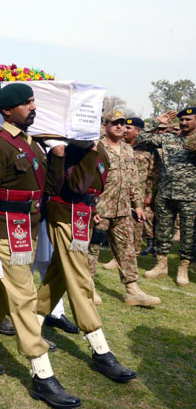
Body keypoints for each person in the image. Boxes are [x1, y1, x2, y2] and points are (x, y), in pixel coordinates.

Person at [0, 83, 81, 409]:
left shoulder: (32, 145)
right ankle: (42, 376)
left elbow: (51, 187)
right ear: (7, 110)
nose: (33, 107)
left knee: (4, 293)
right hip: (2, 230)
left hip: (25, 231)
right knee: (26, 298)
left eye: (33, 102)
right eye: (26, 103)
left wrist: (57, 154)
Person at [36, 137, 137, 385]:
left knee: (57, 279)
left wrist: (93, 208)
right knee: (80, 280)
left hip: (82, 216)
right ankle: (100, 350)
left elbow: (95, 185)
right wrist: (80, 151)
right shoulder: (69, 147)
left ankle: (30, 323)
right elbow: (77, 184)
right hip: (63, 214)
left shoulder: (95, 147)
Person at [87, 112, 160, 306]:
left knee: (127, 249)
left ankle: (132, 289)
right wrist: (92, 208)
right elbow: (89, 179)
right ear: (106, 126)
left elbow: (134, 181)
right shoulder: (96, 147)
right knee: (92, 248)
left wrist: (137, 205)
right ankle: (88, 285)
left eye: (123, 124)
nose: (120, 127)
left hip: (122, 210)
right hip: (101, 209)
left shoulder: (128, 150)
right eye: (115, 124)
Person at [142, 108, 196, 287]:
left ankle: (183, 267)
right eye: (181, 120)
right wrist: (157, 123)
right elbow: (142, 139)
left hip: (190, 195)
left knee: (188, 234)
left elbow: (190, 145)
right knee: (162, 231)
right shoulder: (170, 137)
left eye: (188, 119)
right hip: (165, 193)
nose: (183, 123)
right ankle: (161, 264)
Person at [123, 117, 156, 255]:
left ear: (138, 131)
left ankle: (133, 252)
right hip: (120, 190)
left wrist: (149, 195)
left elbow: (153, 175)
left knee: (137, 222)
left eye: (128, 128)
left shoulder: (148, 149)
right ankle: (120, 253)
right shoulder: (120, 146)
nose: (124, 130)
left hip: (139, 192)